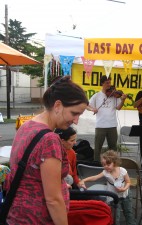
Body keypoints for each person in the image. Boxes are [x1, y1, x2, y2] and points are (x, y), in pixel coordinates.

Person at [4, 76, 89, 225]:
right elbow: (53, 199)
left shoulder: (27, 125)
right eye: (74, 113)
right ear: (58, 106)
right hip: (37, 219)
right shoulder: (49, 139)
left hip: (18, 214)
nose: (76, 121)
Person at [78, 150, 136, 225]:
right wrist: (84, 180)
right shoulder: (106, 172)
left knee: (128, 213)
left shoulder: (122, 171)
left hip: (125, 194)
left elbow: (128, 182)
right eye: (104, 164)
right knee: (115, 215)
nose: (105, 167)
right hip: (113, 196)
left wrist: (124, 188)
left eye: (108, 164)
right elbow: (95, 177)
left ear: (114, 163)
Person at [87, 76, 127, 161]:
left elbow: (118, 107)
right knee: (98, 147)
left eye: (110, 82)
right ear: (102, 84)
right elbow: (87, 105)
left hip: (112, 125)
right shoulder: (97, 95)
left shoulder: (114, 95)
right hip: (100, 125)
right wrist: (92, 109)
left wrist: (123, 100)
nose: (109, 85)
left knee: (113, 148)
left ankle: (113, 165)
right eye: (107, 83)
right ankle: (96, 164)